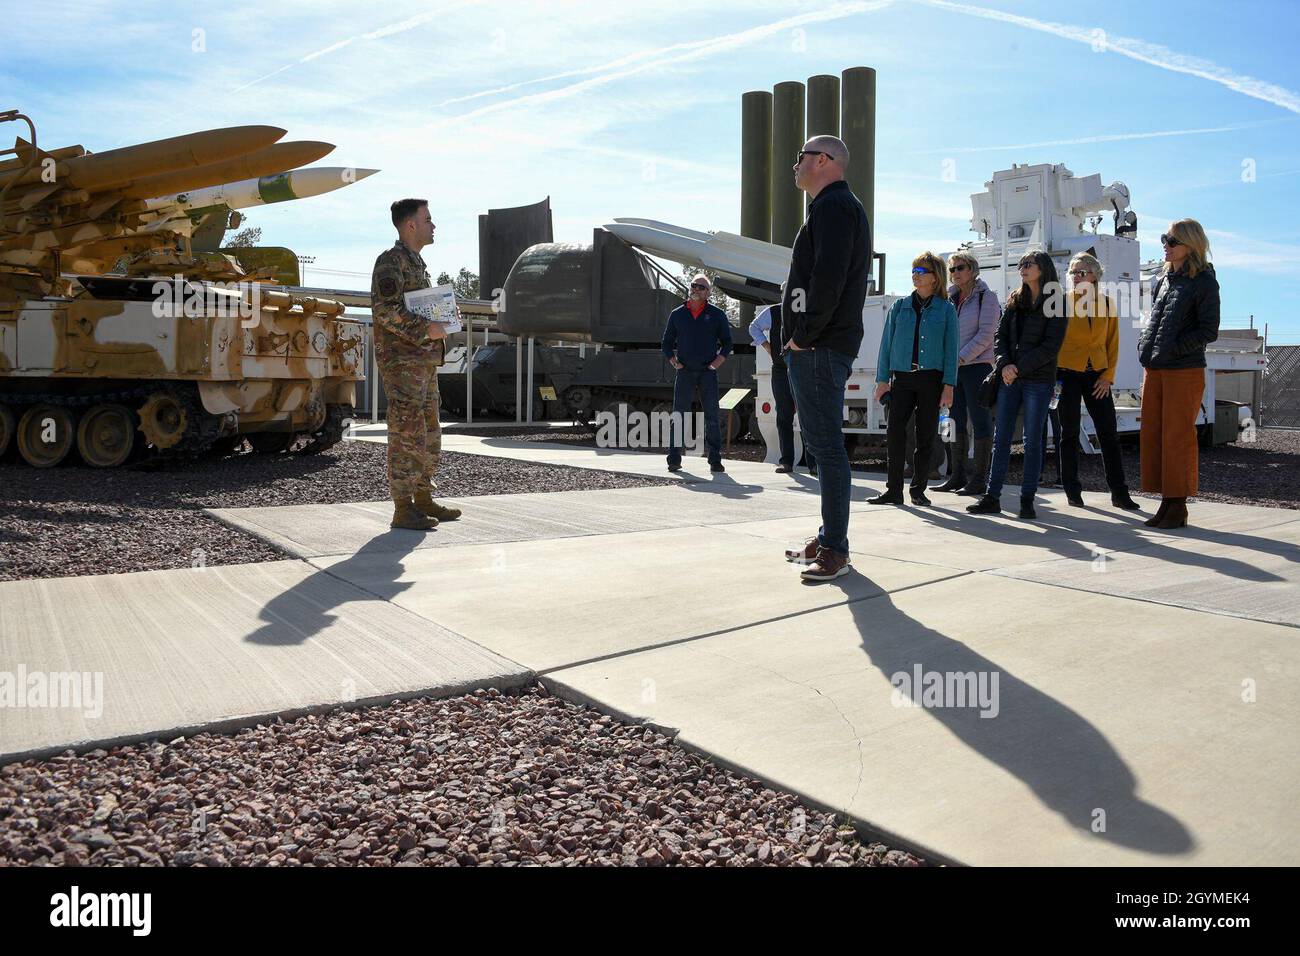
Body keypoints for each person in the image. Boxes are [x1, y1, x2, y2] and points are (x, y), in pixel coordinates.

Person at [779, 135, 871, 581]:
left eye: (800, 158)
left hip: (819, 345)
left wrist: (803, 336)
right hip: (818, 344)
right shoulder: (830, 208)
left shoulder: (835, 207)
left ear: (822, 160)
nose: (794, 166)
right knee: (821, 446)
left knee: (827, 449)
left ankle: (836, 549)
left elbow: (828, 279)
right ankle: (829, 533)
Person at [370, 198, 461, 530]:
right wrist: (429, 329)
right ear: (410, 224)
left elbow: (420, 308)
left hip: (423, 362)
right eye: (428, 219)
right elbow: (386, 309)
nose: (433, 225)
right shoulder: (390, 263)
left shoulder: (417, 264)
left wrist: (446, 318)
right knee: (406, 431)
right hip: (402, 364)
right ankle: (402, 507)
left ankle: (422, 498)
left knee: (429, 431)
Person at [966, 250, 1067, 520]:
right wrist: (1005, 364)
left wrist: (1018, 368)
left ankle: (1026, 500)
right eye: (1021, 264)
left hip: (1037, 381)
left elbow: (1051, 346)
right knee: (1001, 440)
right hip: (1009, 378)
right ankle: (992, 497)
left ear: (1043, 268)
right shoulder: (1014, 299)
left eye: (1028, 264)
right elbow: (999, 337)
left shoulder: (1056, 301)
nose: (1022, 268)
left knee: (1033, 442)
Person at [1138, 219, 1220, 529]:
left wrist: (1173, 350)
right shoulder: (1164, 279)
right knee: (1155, 435)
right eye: (1165, 239)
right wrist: (1146, 349)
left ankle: (1178, 506)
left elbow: (1208, 330)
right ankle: (1167, 503)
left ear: (1190, 244)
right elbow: (1156, 323)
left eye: (1172, 240)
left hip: (1183, 370)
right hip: (1156, 368)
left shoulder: (1205, 282)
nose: (1166, 245)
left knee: (1177, 437)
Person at [869, 252, 958, 507]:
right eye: (914, 271)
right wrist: (882, 379)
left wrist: (949, 385)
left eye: (921, 272)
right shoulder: (899, 307)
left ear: (934, 277)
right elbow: (886, 345)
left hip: (932, 380)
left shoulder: (946, 309)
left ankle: (918, 490)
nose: (915, 276)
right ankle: (893, 491)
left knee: (926, 435)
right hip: (903, 380)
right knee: (895, 433)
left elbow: (951, 350)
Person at [1056, 251, 1140, 510]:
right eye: (1073, 272)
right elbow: (1052, 342)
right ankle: (1072, 489)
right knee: (1068, 433)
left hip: (1097, 376)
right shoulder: (1060, 303)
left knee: (1108, 434)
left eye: (1082, 271)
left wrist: (1108, 376)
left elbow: (1112, 342)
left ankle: (1119, 492)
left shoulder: (1106, 304)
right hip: (1067, 375)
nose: (1076, 276)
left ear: (1094, 276)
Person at [933, 251, 998, 497]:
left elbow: (986, 335)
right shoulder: (948, 300)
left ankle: (979, 479)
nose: (955, 273)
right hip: (952, 370)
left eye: (960, 268)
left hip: (977, 367)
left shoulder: (986, 298)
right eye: (952, 270)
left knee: (980, 421)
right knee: (952, 420)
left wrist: (960, 358)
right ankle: (956, 475)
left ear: (972, 269)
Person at [662, 273, 732, 473]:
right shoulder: (677, 314)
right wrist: (674, 362)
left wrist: (717, 362)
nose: (696, 289)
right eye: (694, 285)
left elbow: (727, 343)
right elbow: (666, 343)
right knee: (679, 415)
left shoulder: (717, 314)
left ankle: (715, 460)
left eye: (701, 287)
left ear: (708, 292)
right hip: (684, 372)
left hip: (707, 372)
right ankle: (674, 459)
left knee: (712, 415)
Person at [749, 301, 816, 475]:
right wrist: (767, 346)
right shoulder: (773, 311)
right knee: (784, 416)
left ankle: (813, 464)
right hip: (780, 369)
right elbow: (754, 327)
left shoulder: (809, 310)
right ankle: (786, 461)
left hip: (804, 369)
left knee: (807, 416)